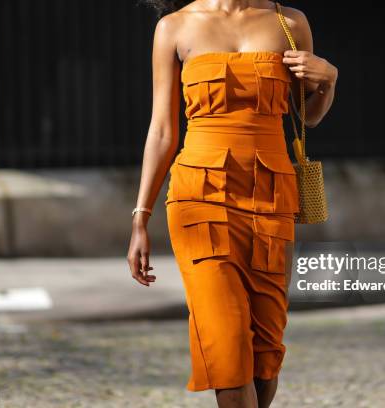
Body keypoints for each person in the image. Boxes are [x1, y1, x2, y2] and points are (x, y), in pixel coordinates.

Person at [128, 1, 337, 406]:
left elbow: (307, 117)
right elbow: (162, 131)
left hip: (272, 197)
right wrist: (141, 216)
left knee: (265, 355)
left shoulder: (289, 23)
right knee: (226, 346)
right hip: (199, 199)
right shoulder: (174, 28)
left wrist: (328, 81)